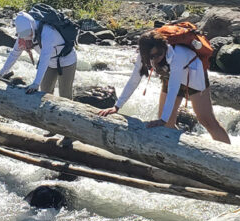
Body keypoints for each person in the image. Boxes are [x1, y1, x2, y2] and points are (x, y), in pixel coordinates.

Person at [98, 28, 230, 143]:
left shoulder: (178, 54)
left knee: (206, 120)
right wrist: (117, 106)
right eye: (152, 56)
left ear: (164, 48)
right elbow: (134, 80)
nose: (156, 59)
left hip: (193, 77)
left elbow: (174, 87)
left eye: (159, 54)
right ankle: (179, 154)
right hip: (169, 76)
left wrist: (163, 119)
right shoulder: (143, 56)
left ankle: (228, 156)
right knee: (166, 125)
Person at [0, 6, 77, 98]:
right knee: (44, 93)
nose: (27, 38)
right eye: (23, 35)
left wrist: (35, 83)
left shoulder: (47, 33)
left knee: (65, 94)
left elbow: (44, 58)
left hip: (67, 60)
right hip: (50, 63)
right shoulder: (22, 36)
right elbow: (14, 54)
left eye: (29, 34)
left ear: (32, 26)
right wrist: (0, 74)